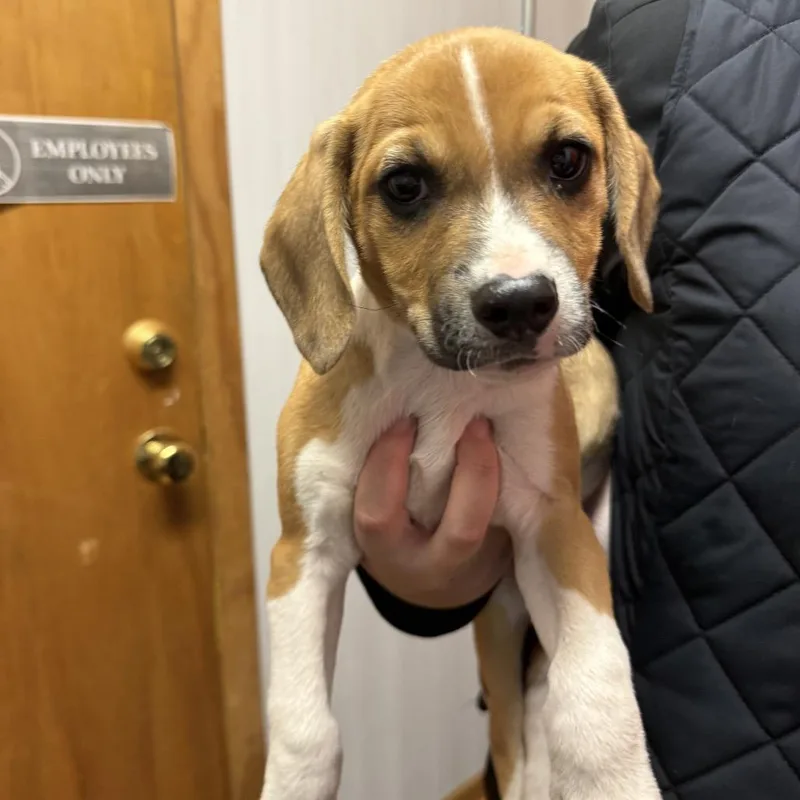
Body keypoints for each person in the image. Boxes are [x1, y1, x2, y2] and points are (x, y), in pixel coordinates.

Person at [354, 1, 800, 797]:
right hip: (657, 704)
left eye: (563, 166)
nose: (513, 269)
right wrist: (424, 583)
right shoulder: (662, 34)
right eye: (571, 160)